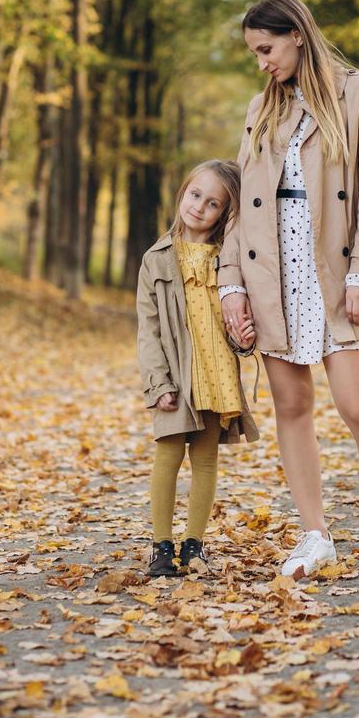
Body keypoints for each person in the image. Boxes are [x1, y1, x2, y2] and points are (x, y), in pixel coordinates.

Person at [219, 0, 359, 577]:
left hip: (336, 268)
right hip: (271, 270)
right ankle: (314, 535)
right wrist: (230, 284)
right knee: (291, 404)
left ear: (296, 33)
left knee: (357, 404)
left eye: (266, 48)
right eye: (253, 53)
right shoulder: (260, 107)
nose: (261, 62)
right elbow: (242, 203)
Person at [137, 159, 259, 577]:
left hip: (215, 372)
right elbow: (148, 331)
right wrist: (158, 383)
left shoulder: (229, 261)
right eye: (195, 195)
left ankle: (194, 545)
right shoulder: (156, 259)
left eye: (213, 204)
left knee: (205, 460)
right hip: (175, 375)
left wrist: (244, 341)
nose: (199, 207)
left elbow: (237, 324)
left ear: (225, 213)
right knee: (168, 456)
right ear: (182, 192)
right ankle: (161, 546)